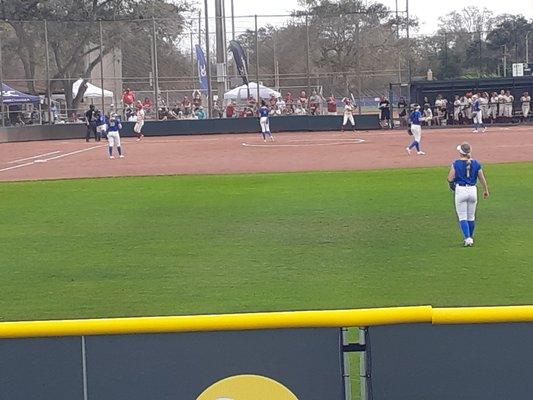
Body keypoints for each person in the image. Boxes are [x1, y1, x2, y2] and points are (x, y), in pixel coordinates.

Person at [447, 142, 489, 247]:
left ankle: (468, 238)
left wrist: (452, 184)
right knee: (471, 216)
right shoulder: (476, 163)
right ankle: (470, 237)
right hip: (472, 190)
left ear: (460, 153)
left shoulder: (456, 163)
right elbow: (482, 178)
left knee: (462, 217)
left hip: (461, 190)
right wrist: (485, 190)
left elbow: (450, 178)